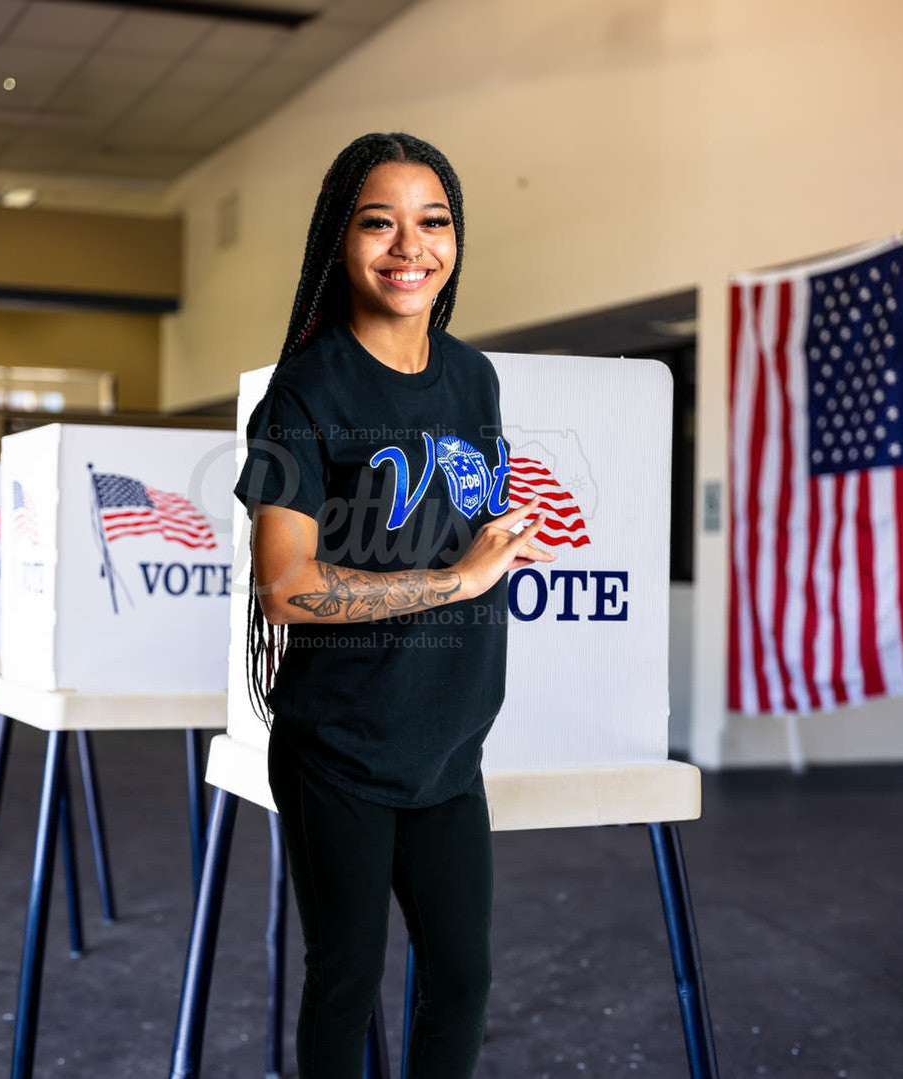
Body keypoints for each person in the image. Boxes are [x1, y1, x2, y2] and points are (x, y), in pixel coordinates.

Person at [232, 131, 555, 1079]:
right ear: (340, 240)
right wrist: (456, 580)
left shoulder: (472, 377)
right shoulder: (307, 389)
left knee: (460, 979)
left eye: (432, 221)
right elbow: (285, 586)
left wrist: (493, 547)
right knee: (346, 980)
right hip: (341, 746)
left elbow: (473, 518)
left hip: (450, 745)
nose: (408, 246)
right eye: (378, 223)